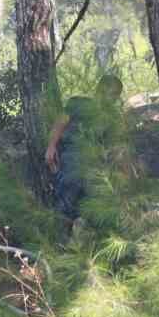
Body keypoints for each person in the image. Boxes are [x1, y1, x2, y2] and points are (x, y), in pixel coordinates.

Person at [44, 73, 123, 226]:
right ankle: (62, 240)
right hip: (71, 156)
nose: (113, 98)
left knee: (96, 207)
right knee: (66, 204)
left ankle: (84, 235)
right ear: (100, 89)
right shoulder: (78, 103)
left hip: (96, 164)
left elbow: (116, 147)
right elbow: (60, 123)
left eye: (116, 95)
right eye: (111, 93)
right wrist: (51, 146)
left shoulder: (113, 116)